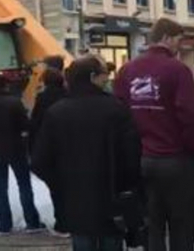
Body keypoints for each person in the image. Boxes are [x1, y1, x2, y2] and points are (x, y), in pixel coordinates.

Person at [33, 56, 141, 251]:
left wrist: (60, 185)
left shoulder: (56, 113)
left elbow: (40, 160)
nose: (107, 79)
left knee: (82, 242)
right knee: (111, 242)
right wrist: (127, 188)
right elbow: (131, 156)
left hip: (74, 200)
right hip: (111, 199)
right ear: (92, 77)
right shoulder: (116, 109)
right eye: (104, 75)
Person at [114, 18, 194, 251]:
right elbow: (191, 115)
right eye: (178, 41)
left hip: (142, 159)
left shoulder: (127, 70)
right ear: (166, 38)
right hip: (175, 159)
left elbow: (120, 114)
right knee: (181, 223)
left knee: (152, 223)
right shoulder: (178, 70)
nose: (179, 46)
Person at [0, 74, 43, 233]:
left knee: (1, 186)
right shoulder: (14, 102)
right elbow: (25, 125)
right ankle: (32, 221)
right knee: (24, 185)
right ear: (6, 86)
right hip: (16, 148)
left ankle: (4, 224)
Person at [29, 67, 68, 236]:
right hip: (68, 146)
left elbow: (36, 123)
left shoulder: (43, 98)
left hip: (49, 148)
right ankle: (73, 220)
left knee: (56, 189)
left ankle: (62, 222)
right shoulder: (68, 96)